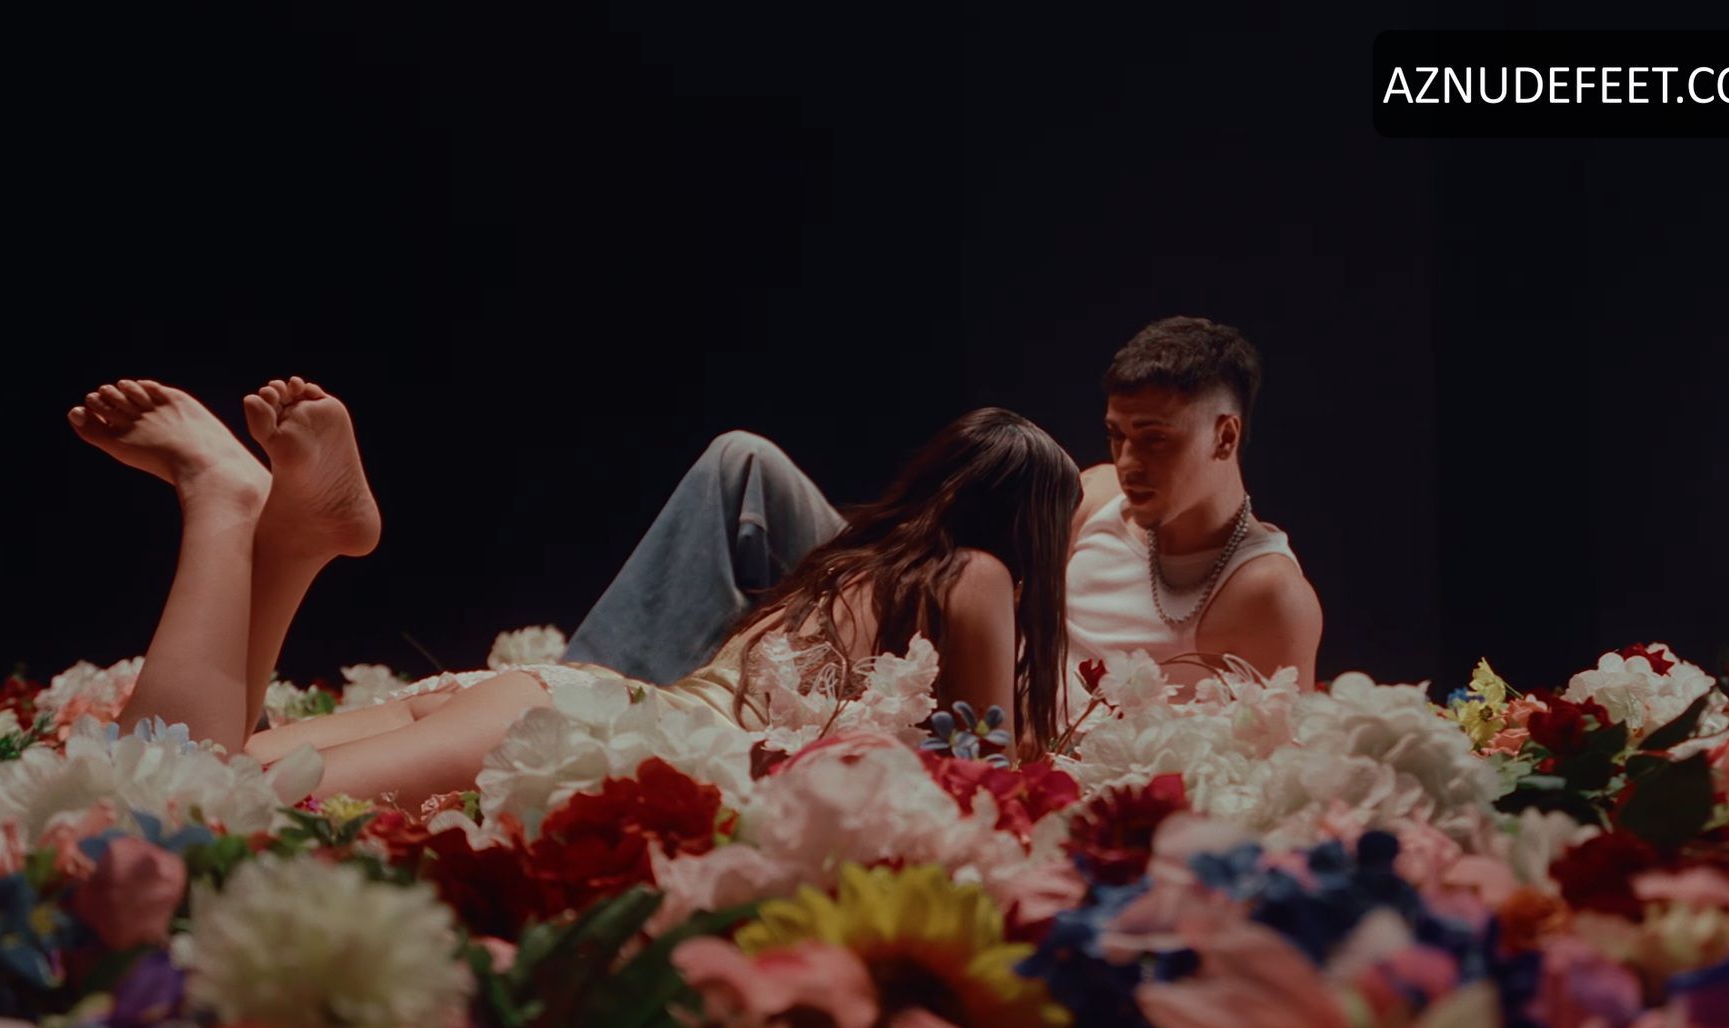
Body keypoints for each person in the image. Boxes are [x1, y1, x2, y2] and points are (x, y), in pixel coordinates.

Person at [66, 377, 1080, 804]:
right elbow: (977, 780)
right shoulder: (983, 578)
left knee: (205, 769)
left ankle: (294, 546)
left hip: (552, 697)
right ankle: (226, 500)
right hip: (587, 725)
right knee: (177, 799)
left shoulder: (841, 567)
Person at [564, 316, 1323, 694]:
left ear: (1225, 436)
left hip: (997, 732)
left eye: (1154, 440)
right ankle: (581, 701)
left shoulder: (1265, 595)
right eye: (1117, 435)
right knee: (744, 463)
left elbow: (1243, 772)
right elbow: (966, 577)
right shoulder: (1096, 495)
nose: (1127, 462)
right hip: (939, 645)